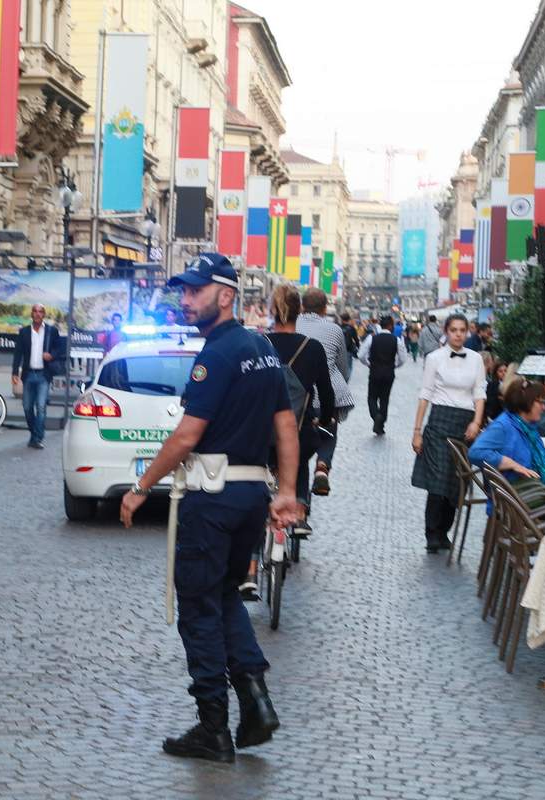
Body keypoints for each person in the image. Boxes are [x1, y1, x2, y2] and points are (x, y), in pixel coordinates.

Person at [118, 253, 301, 764]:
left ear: (226, 296)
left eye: (195, 292)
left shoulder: (215, 355)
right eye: (183, 291)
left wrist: (141, 486)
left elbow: (187, 436)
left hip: (212, 497)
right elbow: (286, 426)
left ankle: (213, 729)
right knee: (224, 598)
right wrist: (285, 492)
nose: (185, 300)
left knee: (197, 607)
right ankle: (256, 702)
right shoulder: (263, 349)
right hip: (250, 495)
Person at [261, 285, 333, 539]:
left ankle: (259, 512)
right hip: (298, 429)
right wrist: (323, 420)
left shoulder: (259, 343)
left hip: (261, 431)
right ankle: (300, 510)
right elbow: (326, 393)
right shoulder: (312, 348)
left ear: (272, 310)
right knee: (299, 451)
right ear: (299, 311)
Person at [411, 313, 486, 554]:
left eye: (462, 330)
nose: (458, 334)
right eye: (454, 330)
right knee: (437, 481)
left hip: (464, 424)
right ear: (446, 331)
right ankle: (431, 532)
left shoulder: (476, 359)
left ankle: (445, 531)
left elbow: (480, 393)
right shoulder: (434, 358)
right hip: (439, 421)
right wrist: (417, 431)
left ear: (467, 332)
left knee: (456, 482)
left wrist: (476, 421)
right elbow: (425, 393)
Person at [469, 380, 545, 510]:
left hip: (527, 494)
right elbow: (474, 452)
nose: (544, 407)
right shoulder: (503, 425)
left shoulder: (527, 426)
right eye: (540, 402)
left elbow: (543, 458)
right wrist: (511, 464)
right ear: (526, 402)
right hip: (517, 503)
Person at [296, 289, 353, 496]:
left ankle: (300, 504)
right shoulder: (334, 330)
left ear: (302, 306)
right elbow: (342, 367)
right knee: (329, 433)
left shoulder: (292, 325)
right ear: (324, 308)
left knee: (298, 449)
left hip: (299, 397)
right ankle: (322, 466)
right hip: (328, 393)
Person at [11, 304, 65, 449]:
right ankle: (34, 432)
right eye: (35, 311)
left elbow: (60, 349)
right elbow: (18, 353)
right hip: (28, 374)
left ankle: (37, 438)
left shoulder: (51, 331)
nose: (37, 314)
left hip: (43, 375)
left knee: (40, 407)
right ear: (31, 314)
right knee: (27, 407)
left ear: (44, 314)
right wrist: (15, 373)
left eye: (40, 312)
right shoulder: (24, 332)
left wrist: (51, 355)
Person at [358, 315, 406, 435]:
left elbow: (361, 355)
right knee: (385, 399)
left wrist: (369, 363)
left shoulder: (372, 338)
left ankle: (376, 416)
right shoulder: (397, 340)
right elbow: (403, 359)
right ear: (391, 326)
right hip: (389, 372)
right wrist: (394, 365)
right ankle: (381, 424)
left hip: (374, 371)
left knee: (372, 397)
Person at [485, 358, 507, 423]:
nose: (503, 373)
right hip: (495, 417)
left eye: (505, 371)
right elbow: (490, 402)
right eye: (500, 371)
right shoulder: (492, 385)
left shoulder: (513, 385)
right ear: (496, 373)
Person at [339, 313, 360, 381]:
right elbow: (356, 339)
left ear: (341, 319)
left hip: (339, 350)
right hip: (348, 351)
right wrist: (358, 347)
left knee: (339, 367)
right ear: (349, 319)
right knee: (349, 367)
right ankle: (345, 381)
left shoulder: (338, 327)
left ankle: (340, 381)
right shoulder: (351, 328)